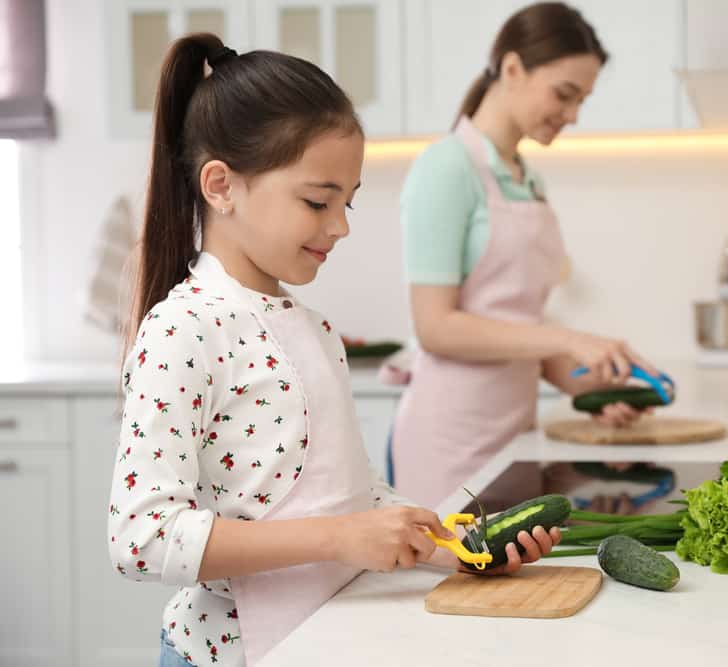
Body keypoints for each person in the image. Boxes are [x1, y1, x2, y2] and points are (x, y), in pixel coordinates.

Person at [107, 33, 559, 667]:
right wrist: (342, 538)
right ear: (221, 185)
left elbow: (357, 499)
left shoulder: (314, 331)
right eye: (318, 201)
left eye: (346, 203)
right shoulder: (183, 329)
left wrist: (461, 547)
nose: (341, 225)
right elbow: (142, 538)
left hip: (325, 639)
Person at [391, 2, 658, 508]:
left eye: (583, 99)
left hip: (515, 437)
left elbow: (515, 322)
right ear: (512, 69)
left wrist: (584, 388)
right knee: (454, 583)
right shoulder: (446, 168)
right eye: (565, 94)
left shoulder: (524, 177)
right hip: (450, 443)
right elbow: (436, 327)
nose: (574, 114)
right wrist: (571, 339)